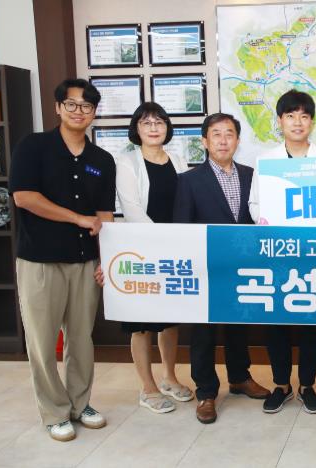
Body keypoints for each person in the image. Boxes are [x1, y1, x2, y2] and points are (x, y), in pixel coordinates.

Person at [10, 78, 114, 441]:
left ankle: (79, 403)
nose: (78, 111)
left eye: (86, 106)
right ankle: (54, 411)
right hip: (40, 261)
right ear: (58, 107)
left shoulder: (102, 160)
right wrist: (77, 218)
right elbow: (24, 197)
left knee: (81, 339)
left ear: (94, 112)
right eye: (71, 104)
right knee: (42, 340)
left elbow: (105, 215)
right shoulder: (33, 146)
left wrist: (107, 260)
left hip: (85, 262)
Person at [173, 113, 270, 424]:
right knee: (203, 332)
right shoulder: (189, 180)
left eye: (229, 134)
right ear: (205, 141)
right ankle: (206, 392)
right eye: (216, 134)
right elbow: (182, 227)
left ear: (238, 140)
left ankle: (240, 378)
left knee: (239, 325)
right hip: (206, 268)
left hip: (242, 266)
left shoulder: (252, 176)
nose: (223, 140)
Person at [249, 90, 316, 414]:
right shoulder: (266, 160)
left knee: (312, 321)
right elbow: (255, 204)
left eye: (304, 116)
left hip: (314, 254)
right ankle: (281, 384)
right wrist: (270, 223)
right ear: (280, 121)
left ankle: (307, 385)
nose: (298, 122)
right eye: (291, 116)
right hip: (278, 253)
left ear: (312, 122)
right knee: (277, 322)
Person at [115, 102, 192, 413]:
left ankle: (169, 378)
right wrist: (160, 241)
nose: (154, 128)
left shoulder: (178, 159)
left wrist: (179, 241)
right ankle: (147, 388)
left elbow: (187, 201)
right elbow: (132, 209)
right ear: (136, 128)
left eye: (159, 122)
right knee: (142, 324)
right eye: (146, 123)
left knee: (169, 320)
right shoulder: (127, 162)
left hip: (174, 250)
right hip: (142, 251)